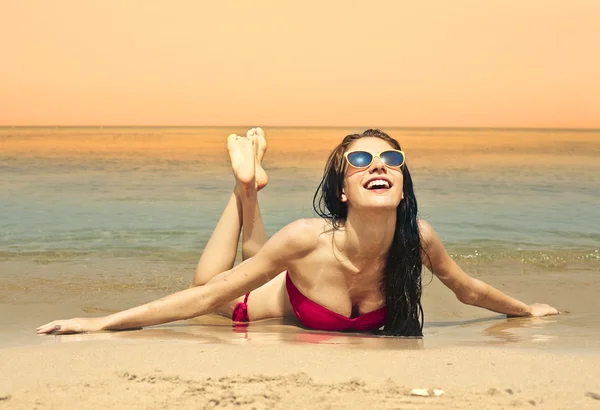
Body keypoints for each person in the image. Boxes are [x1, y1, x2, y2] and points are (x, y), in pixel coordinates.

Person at [37, 128, 558, 337]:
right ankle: (243, 187)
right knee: (230, 269)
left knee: (261, 252)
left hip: (277, 272)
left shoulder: (416, 238)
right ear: (344, 191)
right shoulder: (309, 235)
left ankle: (250, 182)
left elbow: (468, 289)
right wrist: (103, 322)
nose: (378, 164)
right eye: (361, 159)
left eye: (391, 158)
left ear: (403, 182)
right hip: (238, 306)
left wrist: (526, 309)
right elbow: (211, 294)